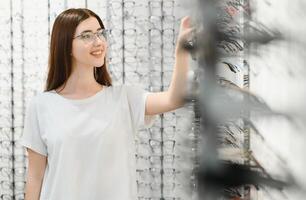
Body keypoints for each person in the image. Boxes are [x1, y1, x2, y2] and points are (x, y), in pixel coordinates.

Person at [19, 8, 193, 200]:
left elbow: (174, 99)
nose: (99, 42)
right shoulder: (42, 105)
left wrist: (182, 53)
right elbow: (35, 178)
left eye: (101, 33)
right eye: (86, 36)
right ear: (65, 45)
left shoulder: (124, 99)